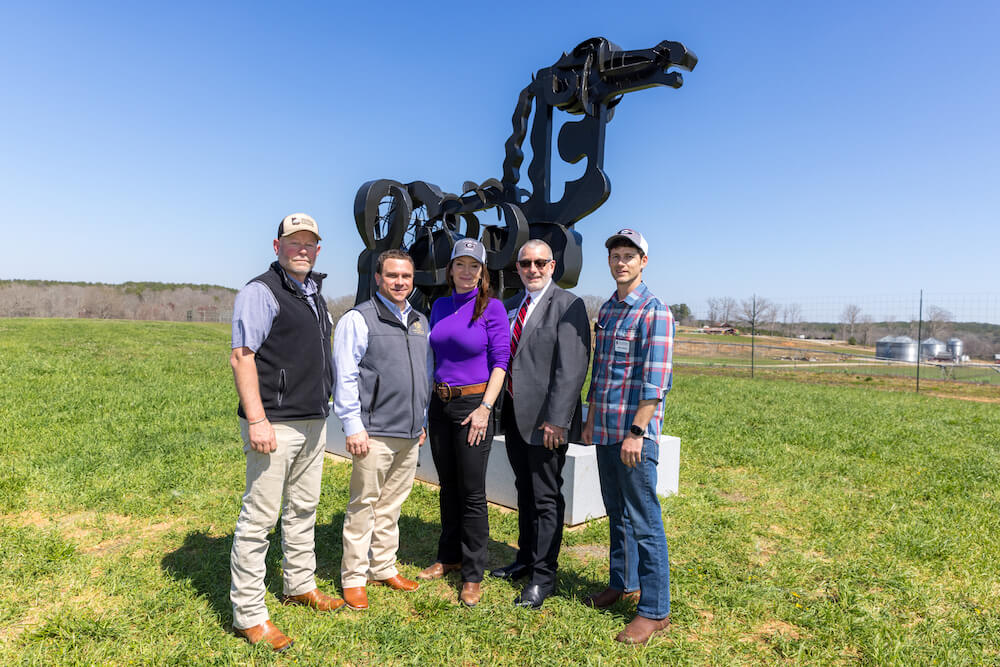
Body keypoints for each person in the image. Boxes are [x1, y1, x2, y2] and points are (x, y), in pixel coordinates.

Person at [229, 213, 345, 652]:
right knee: (259, 520)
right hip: (275, 423)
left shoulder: (315, 293)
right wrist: (257, 419)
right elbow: (242, 357)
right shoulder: (261, 291)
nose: (302, 248)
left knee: (303, 508)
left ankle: (299, 584)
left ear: (318, 249)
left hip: (312, 420)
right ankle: (250, 615)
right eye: (293, 242)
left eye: (309, 243)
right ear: (277, 246)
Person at [581, 228, 675, 645]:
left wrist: (638, 432)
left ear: (644, 262)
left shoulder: (655, 312)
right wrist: (589, 419)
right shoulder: (609, 308)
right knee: (615, 511)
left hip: (633, 435)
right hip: (603, 429)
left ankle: (655, 610)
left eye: (629, 256)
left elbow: (655, 383)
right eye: (616, 255)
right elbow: (602, 371)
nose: (621, 262)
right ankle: (622, 582)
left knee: (644, 519)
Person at [489, 240, 590, 610]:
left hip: (547, 422)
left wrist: (557, 420)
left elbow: (572, 368)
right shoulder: (512, 305)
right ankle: (526, 557)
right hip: (515, 417)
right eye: (526, 263)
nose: (532, 269)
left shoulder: (568, 305)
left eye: (540, 263)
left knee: (546, 497)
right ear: (517, 268)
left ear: (552, 267)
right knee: (525, 490)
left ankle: (544, 576)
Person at [333, 249, 430, 610]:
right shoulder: (359, 319)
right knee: (364, 505)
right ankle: (354, 577)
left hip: (410, 433)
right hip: (373, 432)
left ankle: (383, 567)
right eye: (392, 276)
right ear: (378, 278)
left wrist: (422, 419)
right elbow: (344, 375)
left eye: (406, 276)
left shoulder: (420, 320)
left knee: (392, 506)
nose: (400, 282)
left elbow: (425, 373)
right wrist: (353, 426)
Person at [417, 238, 509, 607]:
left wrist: (486, 408)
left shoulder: (493, 308)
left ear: (482, 271)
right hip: (440, 405)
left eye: (474, 266)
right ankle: (448, 555)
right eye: (460, 264)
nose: (467, 272)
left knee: (471, 492)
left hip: (474, 405)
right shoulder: (438, 306)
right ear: (450, 269)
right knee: (447, 485)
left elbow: (501, 362)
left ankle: (472, 573)